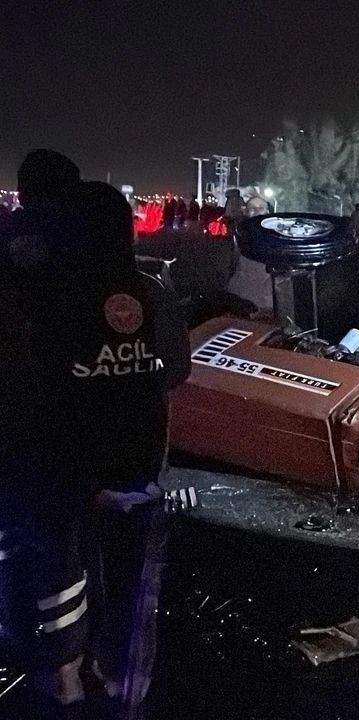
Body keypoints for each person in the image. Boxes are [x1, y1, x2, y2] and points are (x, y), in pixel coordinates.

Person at [2, 173, 189, 719]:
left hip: (67, 469)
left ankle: (64, 681)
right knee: (131, 579)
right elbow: (176, 371)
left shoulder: (47, 295)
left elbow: (25, 385)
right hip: (139, 466)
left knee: (62, 571)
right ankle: (120, 680)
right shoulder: (153, 294)